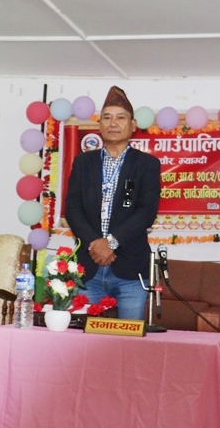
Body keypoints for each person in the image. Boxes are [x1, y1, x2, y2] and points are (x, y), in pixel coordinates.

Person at [65, 86, 161, 320]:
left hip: (130, 269)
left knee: (129, 336)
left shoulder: (147, 164)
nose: (113, 123)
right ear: (99, 125)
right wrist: (96, 245)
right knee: (85, 336)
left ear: (133, 125)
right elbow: (73, 208)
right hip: (88, 267)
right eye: (107, 118)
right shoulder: (83, 162)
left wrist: (111, 243)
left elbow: (146, 212)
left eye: (120, 118)